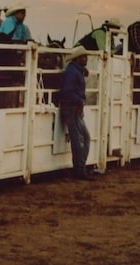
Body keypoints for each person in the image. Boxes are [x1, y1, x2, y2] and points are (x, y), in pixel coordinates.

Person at [60, 46, 93, 181]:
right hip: (72, 107)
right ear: (78, 58)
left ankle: (80, 168)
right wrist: (80, 101)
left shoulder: (74, 70)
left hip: (73, 107)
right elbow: (68, 92)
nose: (86, 59)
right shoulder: (74, 72)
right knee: (81, 139)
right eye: (84, 57)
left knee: (82, 138)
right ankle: (80, 170)